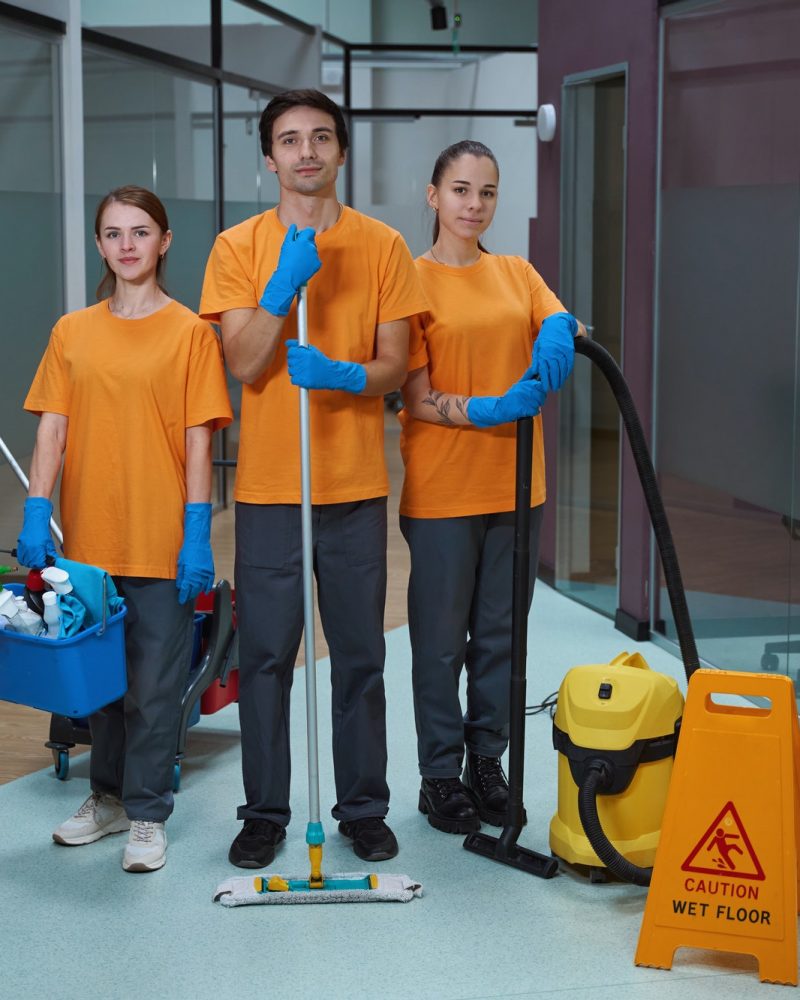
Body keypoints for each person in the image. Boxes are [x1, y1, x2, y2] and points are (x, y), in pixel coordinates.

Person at [200, 89, 428, 869]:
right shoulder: (236, 248)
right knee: (265, 658)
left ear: (339, 151)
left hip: (355, 488)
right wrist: (279, 289)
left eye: (321, 138)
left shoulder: (384, 245)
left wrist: (342, 375)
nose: (306, 152)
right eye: (290, 140)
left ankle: (363, 807)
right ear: (269, 157)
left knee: (360, 656)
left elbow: (394, 365)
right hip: (269, 492)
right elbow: (244, 361)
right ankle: (264, 812)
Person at [19, 186, 232, 872]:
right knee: (100, 687)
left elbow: (199, 440)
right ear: (100, 245)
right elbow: (54, 424)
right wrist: (34, 509)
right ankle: (106, 801)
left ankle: (146, 814)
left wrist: (196, 532)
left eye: (141, 232)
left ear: (164, 242)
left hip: (163, 539)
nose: (128, 245)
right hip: (89, 542)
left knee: (153, 686)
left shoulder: (191, 333)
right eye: (113, 234)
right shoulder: (72, 332)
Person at [399, 140, 581, 834]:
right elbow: (414, 397)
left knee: (501, 639)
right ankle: (439, 776)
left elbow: (558, 317)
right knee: (441, 643)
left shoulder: (515, 271)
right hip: (445, 490)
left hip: (516, 488)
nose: (474, 205)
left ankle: (486, 764)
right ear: (433, 195)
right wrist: (482, 409)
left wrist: (560, 332)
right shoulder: (410, 281)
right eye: (461, 190)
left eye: (488, 193)